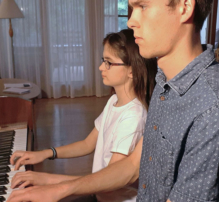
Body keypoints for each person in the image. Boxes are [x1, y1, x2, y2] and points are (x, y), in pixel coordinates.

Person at [7, 0, 219, 201]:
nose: (131, 21)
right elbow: (131, 167)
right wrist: (58, 188)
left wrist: (58, 187)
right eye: (132, 8)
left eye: (143, 6)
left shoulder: (216, 108)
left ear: (185, 7)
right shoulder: (165, 83)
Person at [9, 29, 157, 202]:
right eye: (103, 60)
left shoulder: (134, 116)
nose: (101, 67)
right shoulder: (114, 101)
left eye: (109, 62)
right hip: (100, 194)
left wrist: (48, 181)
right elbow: (87, 144)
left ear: (132, 70)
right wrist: (46, 153)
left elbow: (110, 182)